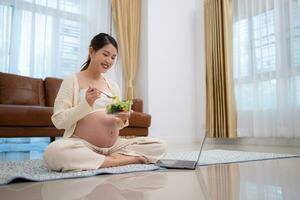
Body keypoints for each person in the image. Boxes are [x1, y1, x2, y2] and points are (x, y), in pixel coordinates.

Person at [44, 33, 167, 172]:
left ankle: (105, 160)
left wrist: (123, 118)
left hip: (114, 146)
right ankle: (121, 160)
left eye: (113, 57)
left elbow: (118, 123)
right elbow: (59, 121)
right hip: (83, 144)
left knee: (160, 145)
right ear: (92, 51)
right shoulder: (72, 80)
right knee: (54, 152)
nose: (109, 60)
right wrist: (86, 104)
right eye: (105, 54)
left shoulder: (113, 85)